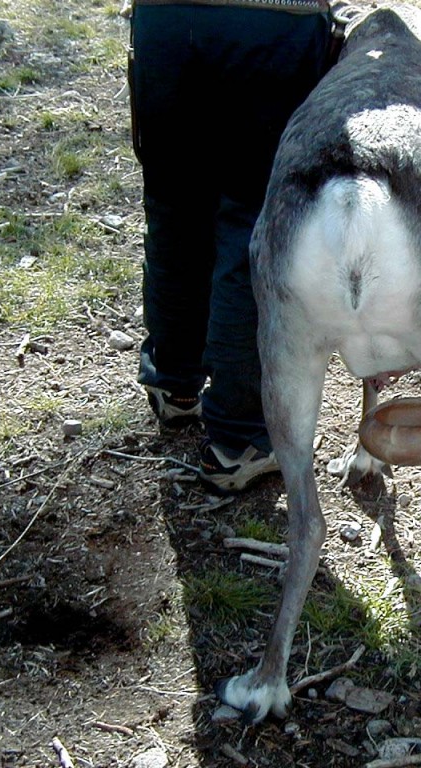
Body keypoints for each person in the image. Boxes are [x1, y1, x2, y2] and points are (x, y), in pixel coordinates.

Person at [127, 0, 336, 492]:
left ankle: (175, 383)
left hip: (168, 19)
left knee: (174, 203)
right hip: (274, 25)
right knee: (251, 222)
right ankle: (237, 440)